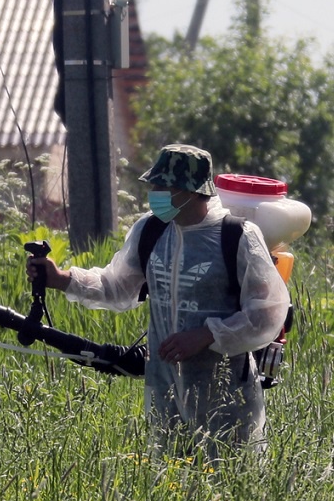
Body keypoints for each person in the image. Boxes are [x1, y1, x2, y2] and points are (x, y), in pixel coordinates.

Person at [27, 144, 290, 459]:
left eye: (162, 186)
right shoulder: (151, 230)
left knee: (229, 484)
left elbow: (267, 313)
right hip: (165, 388)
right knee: (172, 484)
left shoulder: (238, 236)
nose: (154, 193)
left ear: (190, 191)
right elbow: (115, 285)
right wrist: (62, 278)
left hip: (226, 392)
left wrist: (207, 335)